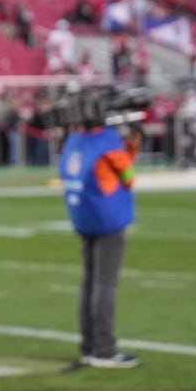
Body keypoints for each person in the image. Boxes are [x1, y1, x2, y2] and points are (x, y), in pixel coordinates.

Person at [59, 103, 141, 369]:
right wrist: (130, 147)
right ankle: (104, 349)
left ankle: (88, 345)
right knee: (105, 285)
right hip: (107, 218)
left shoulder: (75, 141)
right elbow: (128, 177)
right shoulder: (106, 144)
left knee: (89, 283)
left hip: (84, 217)